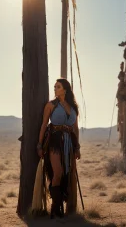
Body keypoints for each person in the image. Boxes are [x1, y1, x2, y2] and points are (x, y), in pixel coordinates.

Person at [37, 78, 81, 218]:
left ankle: (60, 207)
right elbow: (44, 125)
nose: (55, 89)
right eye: (55, 87)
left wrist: (77, 147)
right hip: (54, 141)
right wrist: (39, 144)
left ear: (65, 90)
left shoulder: (73, 107)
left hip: (69, 142)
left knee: (66, 175)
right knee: (57, 172)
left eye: (58, 87)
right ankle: (54, 209)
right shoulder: (51, 105)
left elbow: (75, 128)